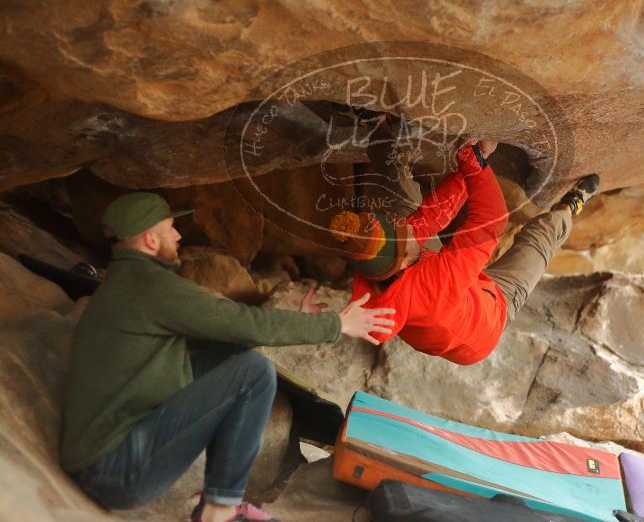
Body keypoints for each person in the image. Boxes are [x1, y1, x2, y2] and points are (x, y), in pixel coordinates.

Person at [60, 192, 395, 522]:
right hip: (116, 471)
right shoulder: (151, 287)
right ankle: (218, 512)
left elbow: (233, 329)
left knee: (232, 351)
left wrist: (301, 321)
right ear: (150, 240)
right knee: (254, 372)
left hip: (107, 459)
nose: (178, 235)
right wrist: (337, 324)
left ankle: (216, 498)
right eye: (170, 228)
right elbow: (244, 322)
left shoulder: (127, 283)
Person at [330, 138, 599, 365]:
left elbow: (430, 216)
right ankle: (570, 207)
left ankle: (379, 131)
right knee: (539, 239)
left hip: (451, 291)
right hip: (491, 314)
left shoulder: (372, 264)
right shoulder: (433, 284)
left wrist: (475, 160)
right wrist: (475, 163)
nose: (410, 229)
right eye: (406, 234)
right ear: (403, 260)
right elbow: (493, 221)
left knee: (404, 206)